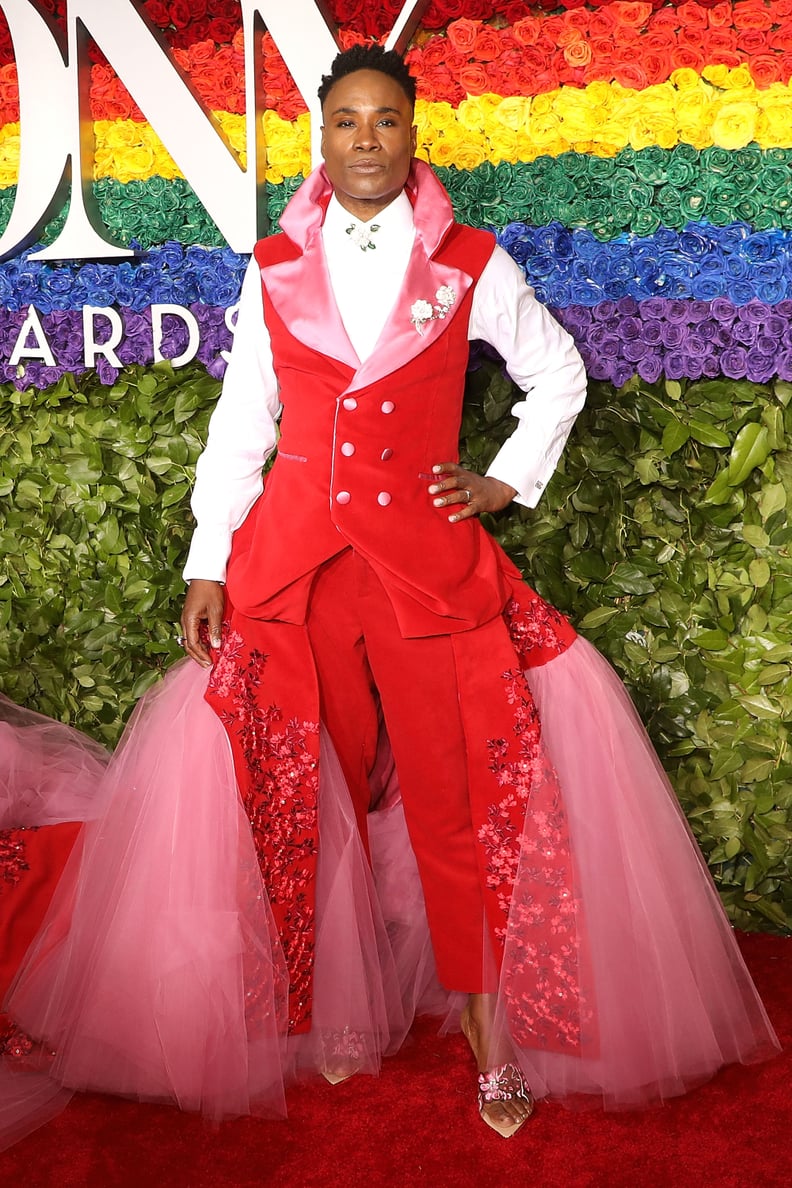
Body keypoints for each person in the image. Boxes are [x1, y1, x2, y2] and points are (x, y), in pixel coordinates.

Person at [0, 45, 779, 1149]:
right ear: (323, 139)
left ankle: (485, 1015)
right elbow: (243, 420)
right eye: (347, 122)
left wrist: (503, 480)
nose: (366, 139)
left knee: (457, 800)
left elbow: (558, 371)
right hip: (297, 567)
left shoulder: (468, 259)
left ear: (414, 136)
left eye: (386, 121)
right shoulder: (271, 266)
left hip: (426, 567)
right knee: (306, 791)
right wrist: (206, 558)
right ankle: (335, 1002)